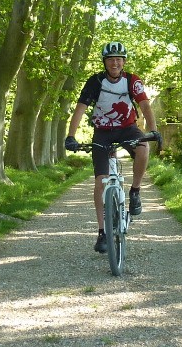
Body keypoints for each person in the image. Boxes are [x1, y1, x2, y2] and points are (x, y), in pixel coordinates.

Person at [64, 41, 161, 254]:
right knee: (100, 182)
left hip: (128, 128)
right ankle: (102, 233)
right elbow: (80, 108)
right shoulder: (95, 81)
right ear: (105, 62)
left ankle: (135, 191)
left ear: (123, 62)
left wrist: (153, 130)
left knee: (143, 149)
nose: (115, 63)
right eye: (111, 59)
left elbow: (144, 105)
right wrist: (71, 136)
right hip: (103, 132)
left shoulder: (132, 81)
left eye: (119, 59)